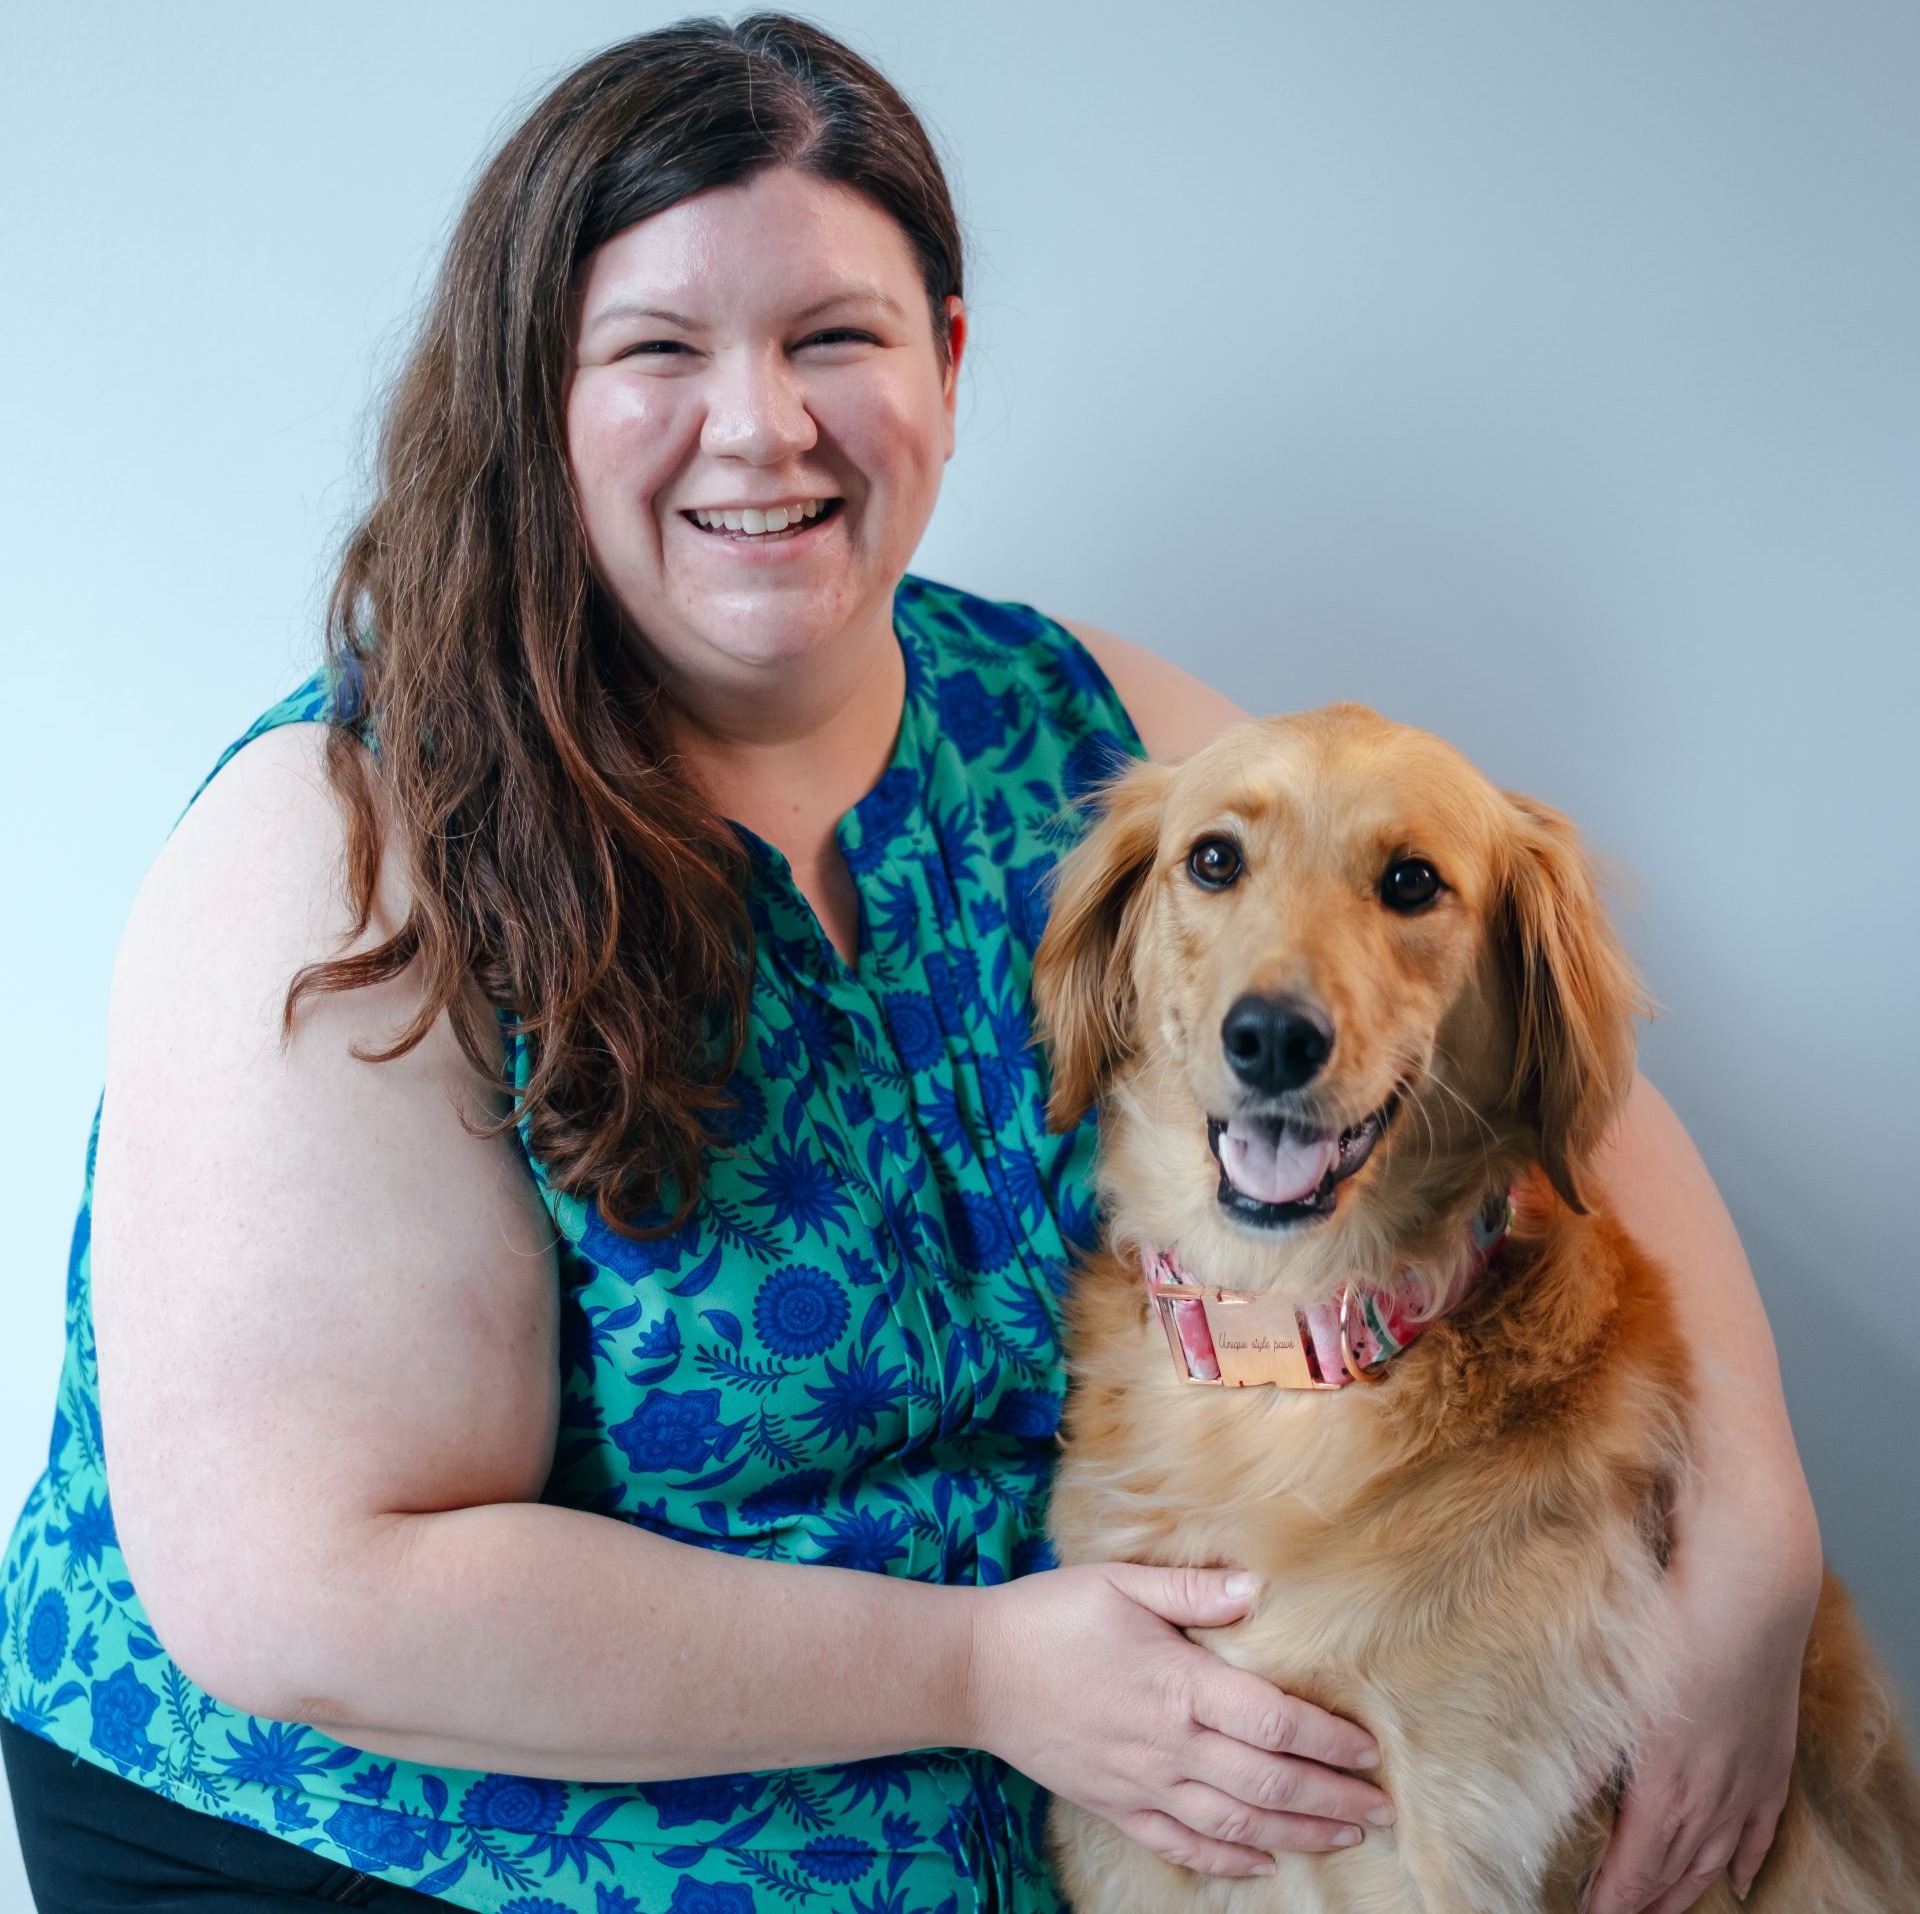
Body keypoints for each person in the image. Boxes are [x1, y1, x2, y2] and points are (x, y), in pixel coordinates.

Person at [0, 16, 1820, 1914]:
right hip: (399, 1829)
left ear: (946, 364)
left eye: (833, 339)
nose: (760, 424)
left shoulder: (1079, 722)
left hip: (1032, 1778)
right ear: (538, 392)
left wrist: (1754, 1534)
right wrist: (980, 1669)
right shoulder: (342, 848)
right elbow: (308, 1595)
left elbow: (1529, 1060)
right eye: (658, 350)